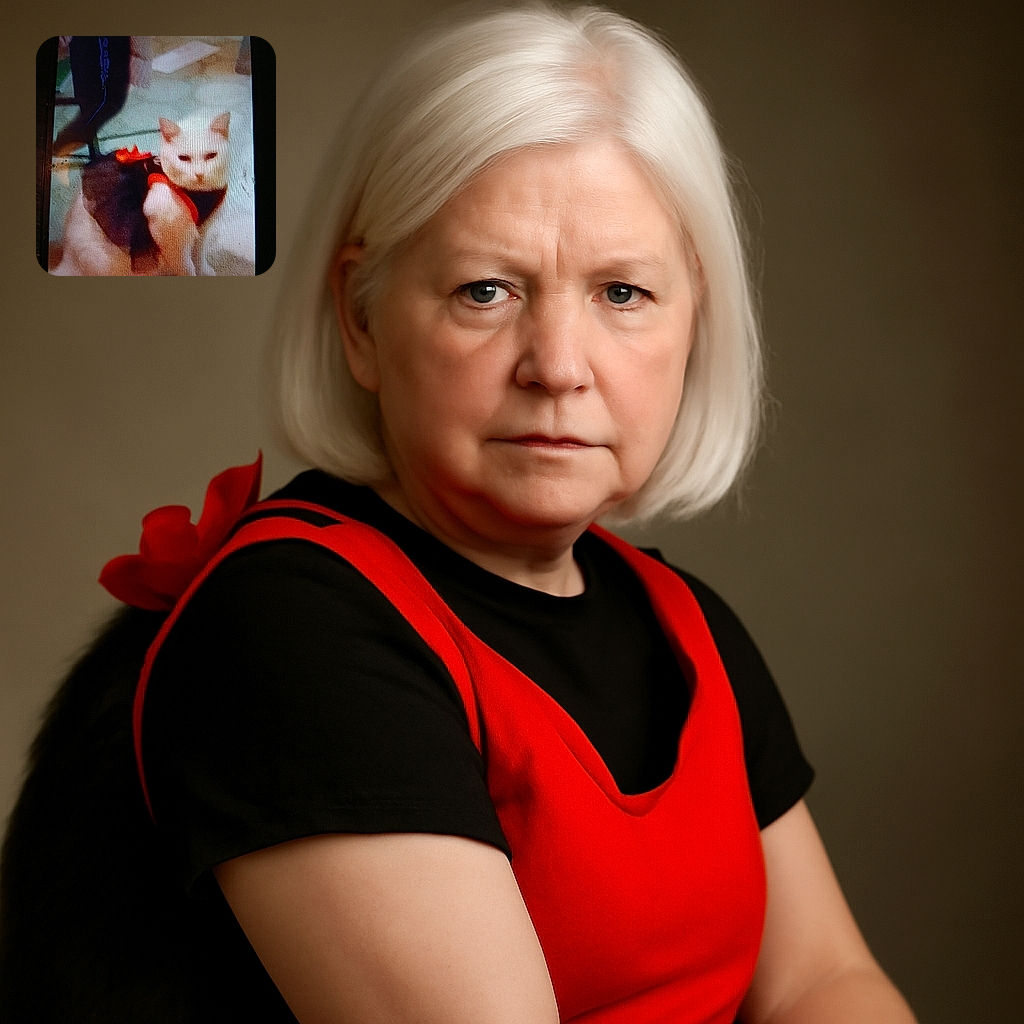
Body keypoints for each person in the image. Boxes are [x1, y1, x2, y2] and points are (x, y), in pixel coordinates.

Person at [13, 5, 919, 1022]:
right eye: (486, 290)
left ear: (693, 320)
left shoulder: (683, 622)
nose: (559, 368)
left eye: (623, 293)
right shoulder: (289, 630)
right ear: (361, 320)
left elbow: (822, 983)